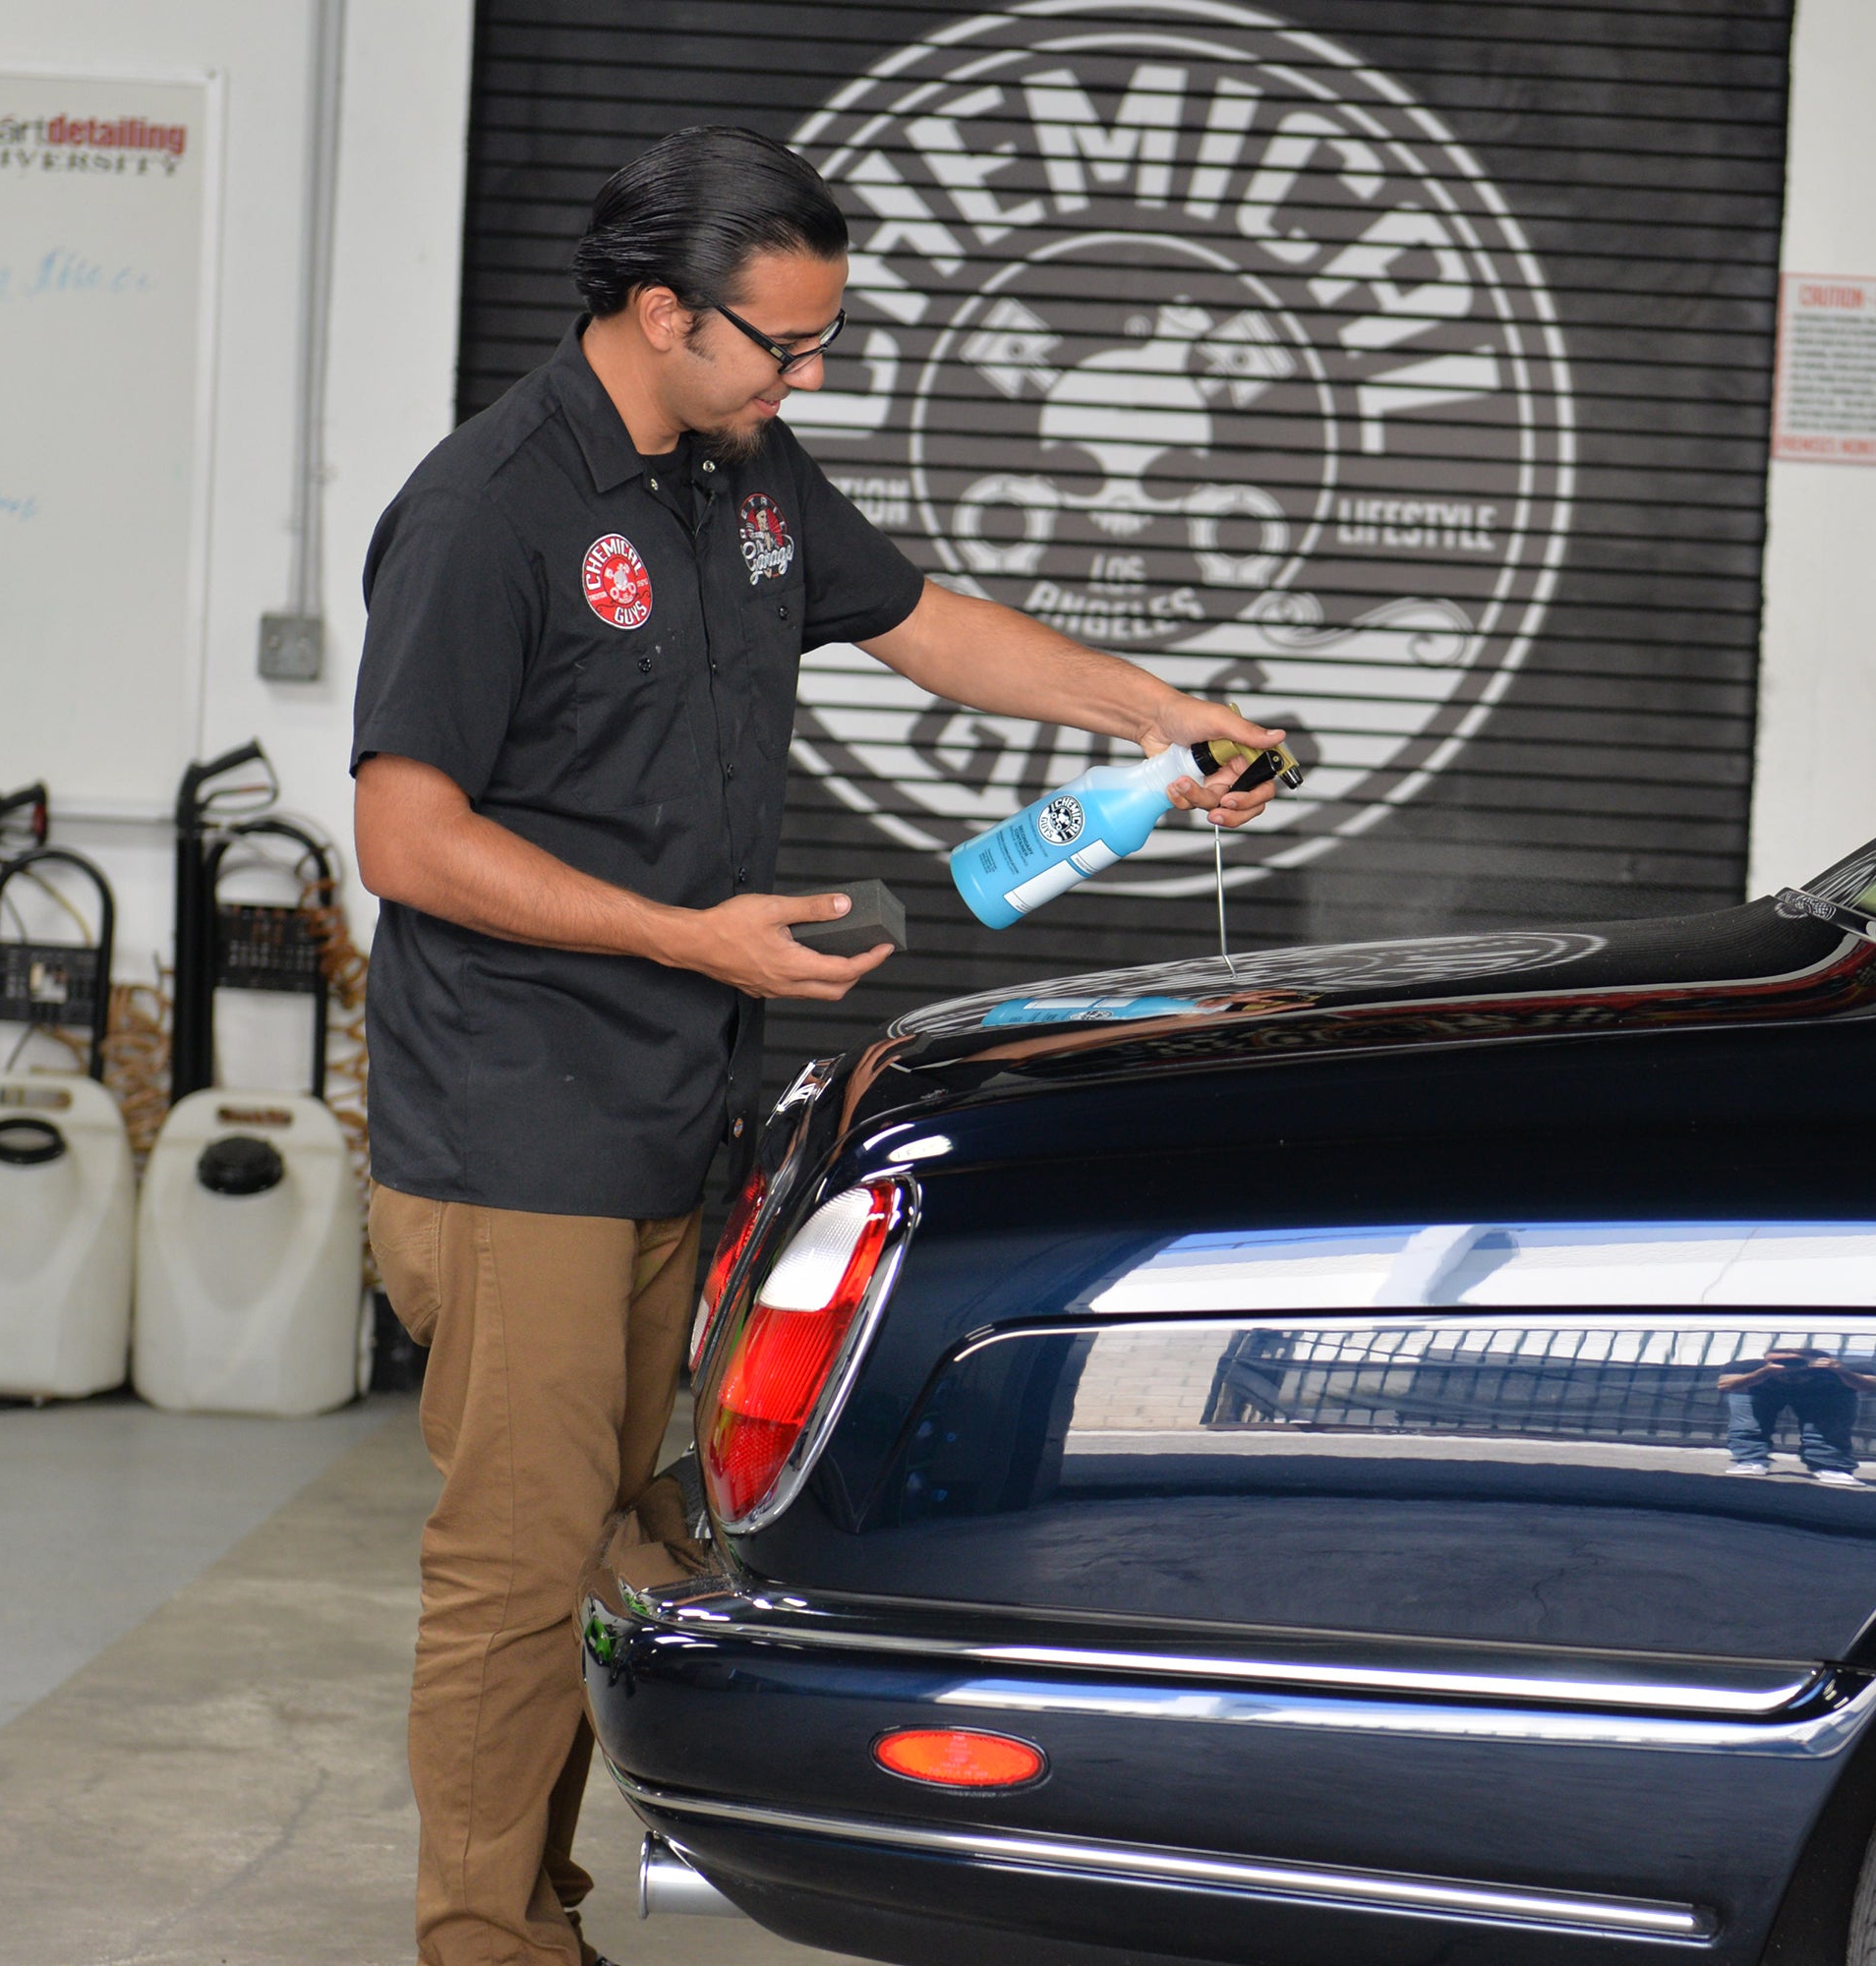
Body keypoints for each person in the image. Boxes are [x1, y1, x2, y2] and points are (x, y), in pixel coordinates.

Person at [349, 125, 1288, 1966]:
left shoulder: (744, 468)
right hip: (515, 1118)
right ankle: (484, 1939)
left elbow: (929, 627)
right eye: (785, 344)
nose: (812, 377)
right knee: (524, 1558)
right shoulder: (488, 509)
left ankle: (533, 1907)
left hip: (681, 1100)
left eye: (823, 340)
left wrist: (1159, 717)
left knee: (632, 1528)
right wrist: (683, 935)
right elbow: (406, 836)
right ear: (661, 313)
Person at [1717, 1347, 1876, 1485]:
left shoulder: (1837, 1369)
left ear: (1817, 1360)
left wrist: (1840, 1371)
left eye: (1795, 1361)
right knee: (1749, 1424)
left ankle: (1831, 1466)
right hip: (1761, 1393)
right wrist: (1764, 1372)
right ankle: (1750, 1460)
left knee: (1828, 1428)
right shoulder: (1749, 1367)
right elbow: (1724, 1385)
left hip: (1823, 1394)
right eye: (1776, 1361)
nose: (1786, 1366)